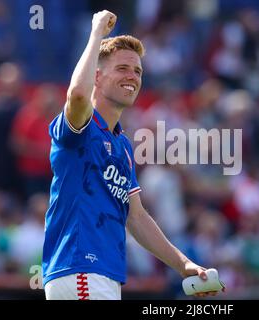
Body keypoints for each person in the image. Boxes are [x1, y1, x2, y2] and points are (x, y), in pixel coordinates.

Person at [42, 10, 223, 300]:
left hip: (103, 274)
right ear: (97, 77)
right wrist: (97, 32)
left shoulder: (123, 146)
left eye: (138, 71)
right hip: (80, 269)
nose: (133, 77)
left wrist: (183, 263)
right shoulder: (82, 126)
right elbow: (77, 95)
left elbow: (136, 216)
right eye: (123, 68)